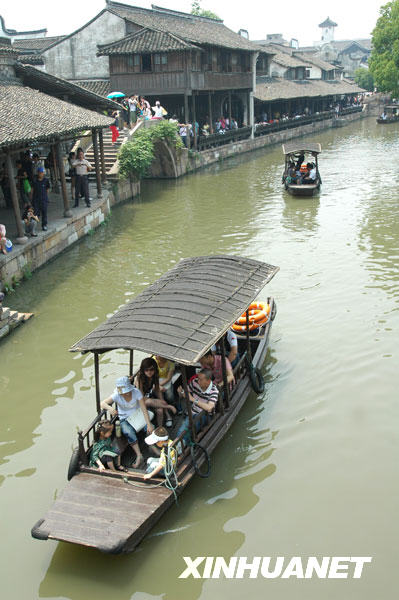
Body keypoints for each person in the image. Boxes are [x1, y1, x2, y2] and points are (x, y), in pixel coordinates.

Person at [100, 375, 154, 469]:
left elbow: (143, 409)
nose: (125, 394)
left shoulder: (136, 392)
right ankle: (139, 455)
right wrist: (110, 408)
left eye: (127, 392)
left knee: (150, 428)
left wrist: (148, 424)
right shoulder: (117, 395)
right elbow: (103, 403)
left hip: (138, 415)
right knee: (128, 432)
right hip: (124, 418)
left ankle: (152, 447)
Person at [176, 369, 219, 441]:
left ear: (208, 381)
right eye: (198, 378)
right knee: (181, 431)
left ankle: (183, 446)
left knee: (189, 430)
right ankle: (179, 445)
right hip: (193, 411)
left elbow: (209, 408)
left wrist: (193, 400)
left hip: (205, 415)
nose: (198, 381)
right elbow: (187, 392)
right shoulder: (194, 382)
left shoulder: (214, 391)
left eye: (200, 380)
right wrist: (181, 392)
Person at [135, 357, 176, 428]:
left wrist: (161, 401)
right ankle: (169, 407)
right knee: (149, 401)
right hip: (140, 402)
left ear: (155, 369)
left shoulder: (154, 376)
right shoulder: (140, 379)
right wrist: (165, 405)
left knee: (160, 410)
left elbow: (157, 390)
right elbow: (141, 398)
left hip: (149, 397)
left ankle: (160, 428)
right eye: (146, 370)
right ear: (143, 370)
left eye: (151, 369)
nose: (149, 372)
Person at [32, 167, 50, 231]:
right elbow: (32, 190)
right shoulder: (35, 181)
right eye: (40, 173)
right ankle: (33, 227)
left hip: (44, 199)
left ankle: (44, 225)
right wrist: (31, 199)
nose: (41, 174)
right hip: (36, 199)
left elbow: (47, 188)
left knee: (44, 213)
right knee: (36, 213)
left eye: (42, 173)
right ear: (38, 173)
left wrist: (46, 196)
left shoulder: (46, 180)